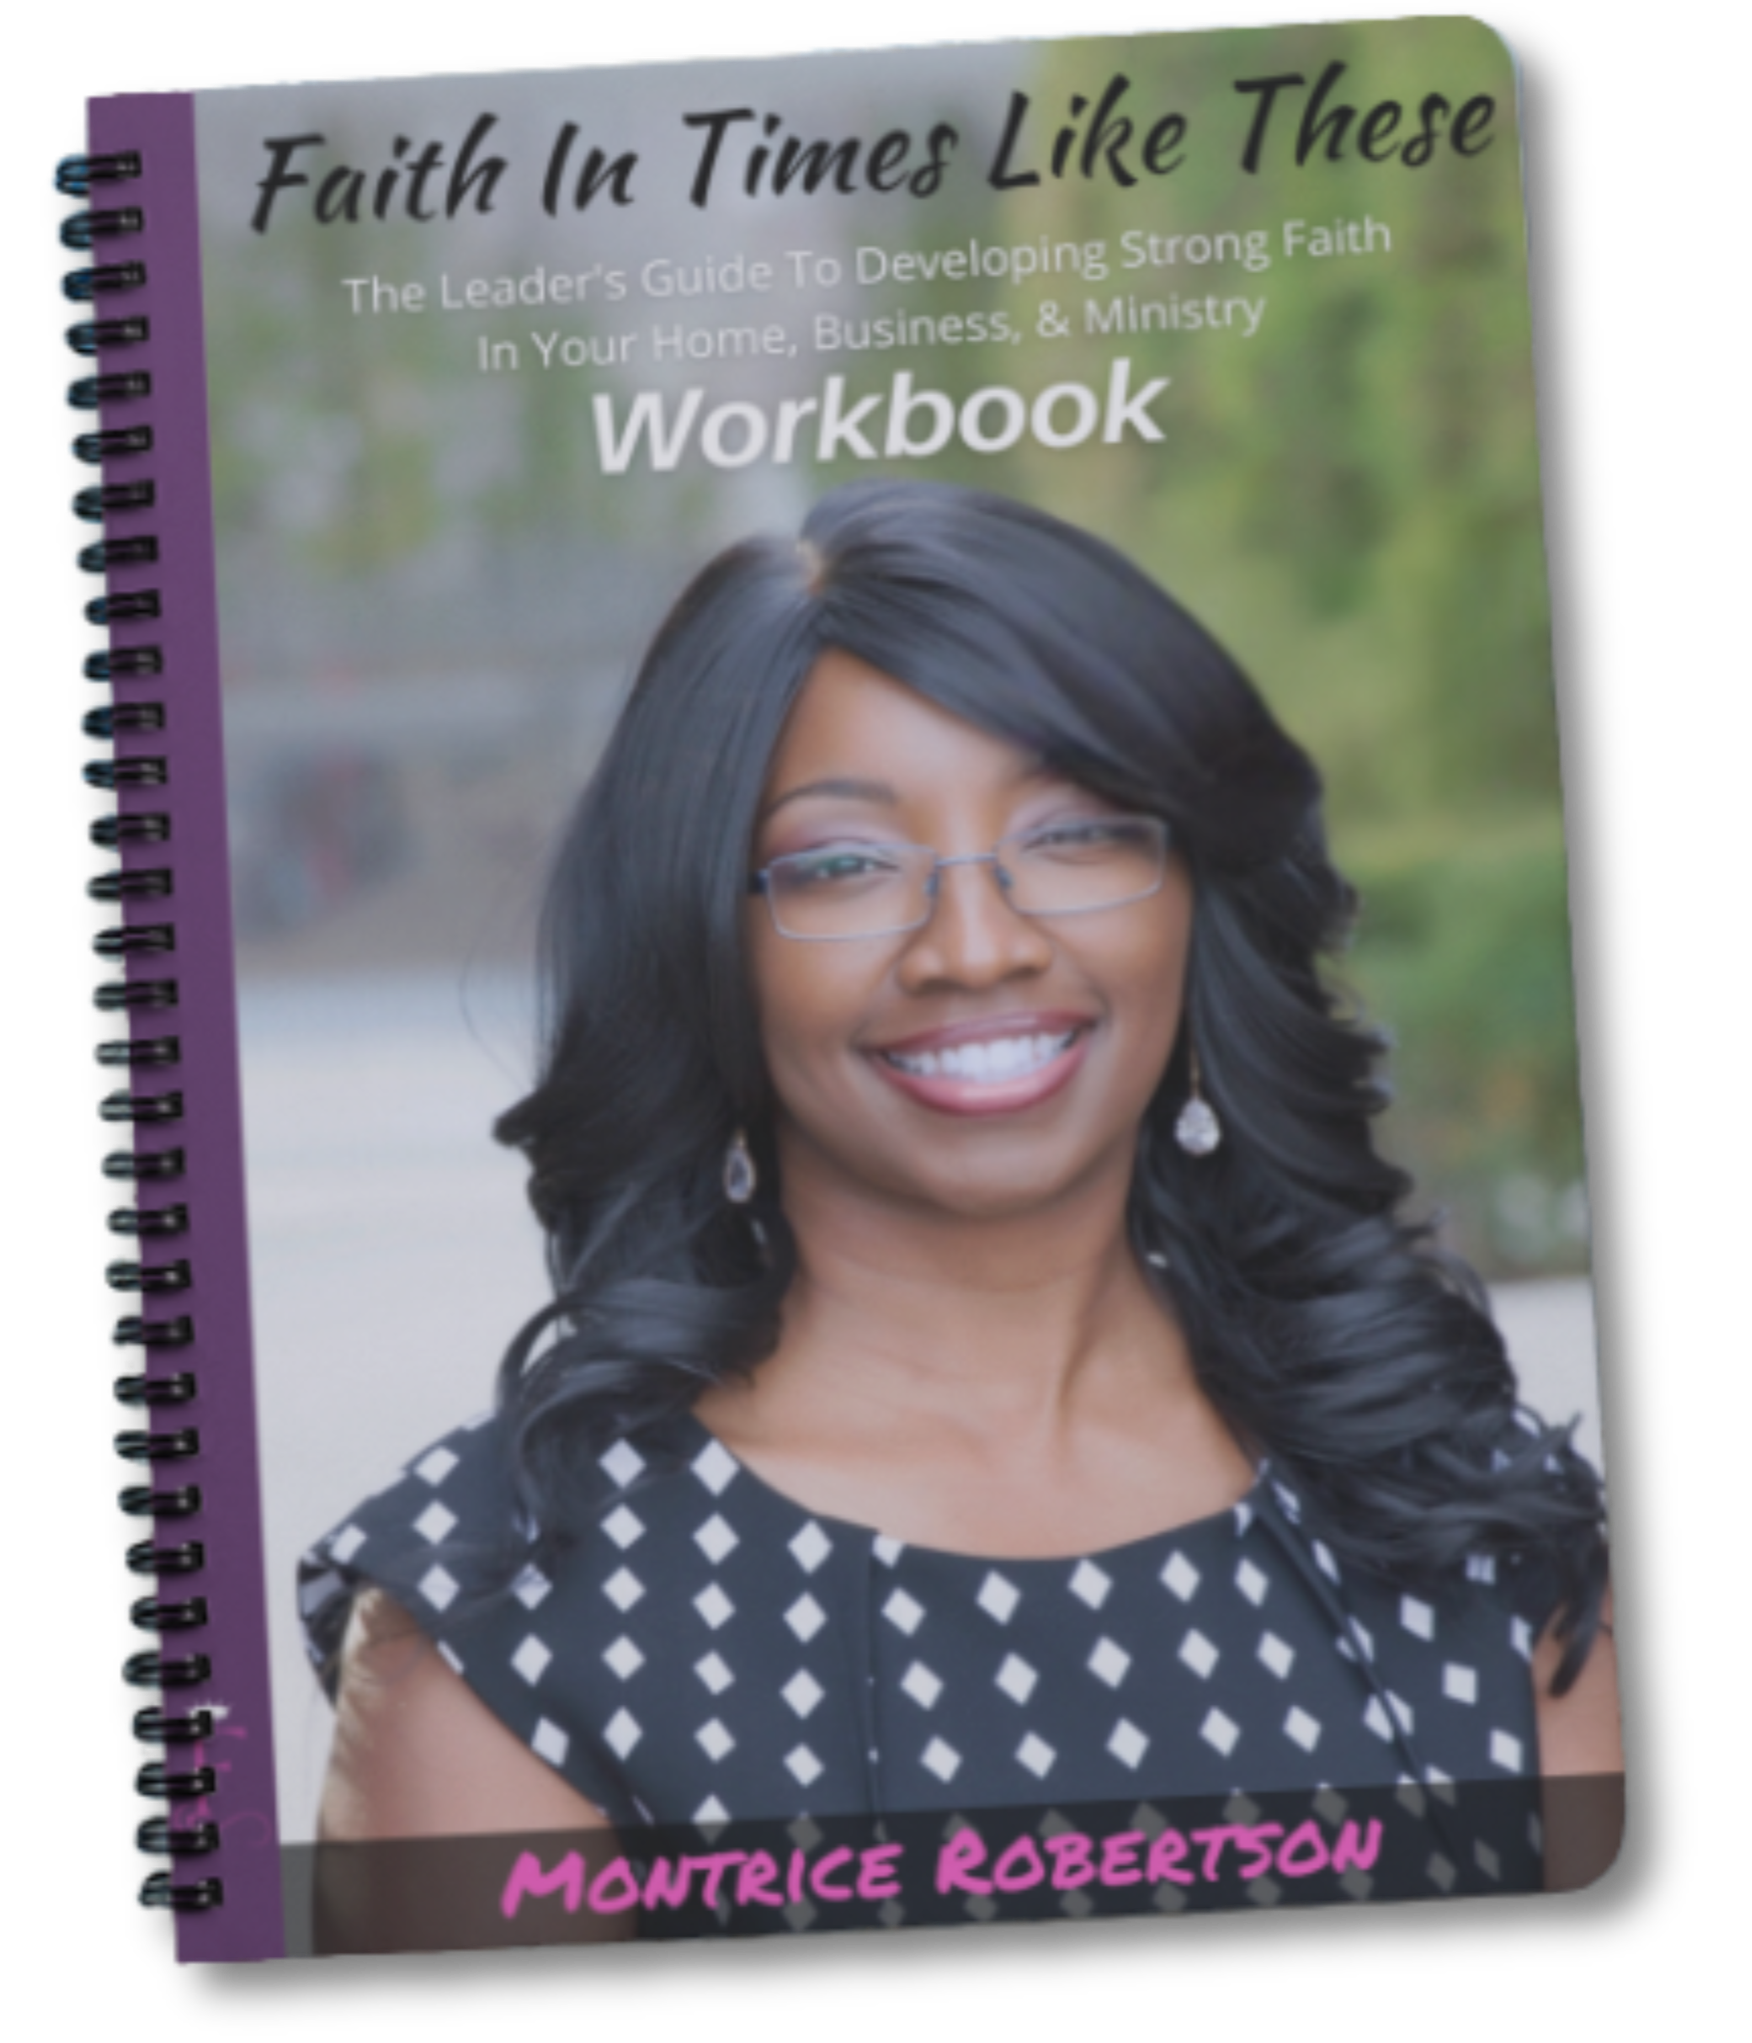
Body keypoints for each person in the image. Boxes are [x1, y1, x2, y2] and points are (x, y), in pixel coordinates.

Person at [301, 480, 1620, 1915]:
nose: (978, 946)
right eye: (843, 864)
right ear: (702, 945)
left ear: (1200, 898)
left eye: (1077, 833)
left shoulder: (1452, 1501)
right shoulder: (507, 1622)